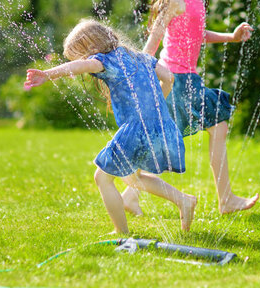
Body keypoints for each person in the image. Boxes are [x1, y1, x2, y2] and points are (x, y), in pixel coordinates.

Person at [122, 0, 259, 215]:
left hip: (186, 79)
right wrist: (143, 69)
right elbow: (155, 36)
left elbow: (196, 34)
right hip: (176, 80)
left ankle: (130, 193)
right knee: (213, 126)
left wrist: (230, 37)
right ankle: (226, 199)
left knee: (160, 142)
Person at [24, 18, 196, 234]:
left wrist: (48, 74)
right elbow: (169, 77)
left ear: (91, 47)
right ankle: (183, 200)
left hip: (137, 129)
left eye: (81, 54)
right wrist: (154, 106)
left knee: (102, 178)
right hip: (162, 126)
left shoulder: (104, 60)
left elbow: (80, 67)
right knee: (131, 177)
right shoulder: (140, 57)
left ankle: (122, 233)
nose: (85, 60)